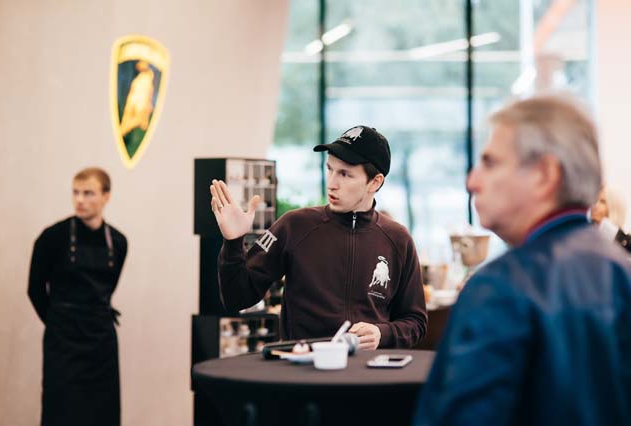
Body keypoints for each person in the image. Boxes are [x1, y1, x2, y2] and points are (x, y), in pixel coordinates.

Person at [414, 95, 631, 425]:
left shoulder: (500, 288)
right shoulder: (621, 272)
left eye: (490, 163)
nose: (472, 181)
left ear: (544, 174)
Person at [210, 125, 427, 349]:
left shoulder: (398, 240)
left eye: (345, 174)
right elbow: (237, 298)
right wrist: (233, 242)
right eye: (330, 169)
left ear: (375, 182)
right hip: (302, 366)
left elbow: (416, 322)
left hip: (367, 368)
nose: (332, 183)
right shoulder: (293, 226)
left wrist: (383, 333)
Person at [28, 167, 127, 426]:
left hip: (101, 342)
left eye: (88, 193)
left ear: (106, 196)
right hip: (63, 342)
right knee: (61, 411)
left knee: (103, 412)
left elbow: (109, 288)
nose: (80, 200)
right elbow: (35, 290)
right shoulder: (52, 238)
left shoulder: (118, 242)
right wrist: (57, 321)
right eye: (75, 192)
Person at [590, 186, 631, 253]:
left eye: (602, 202)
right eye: (595, 201)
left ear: (614, 206)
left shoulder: (625, 243)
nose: (595, 206)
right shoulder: (586, 235)